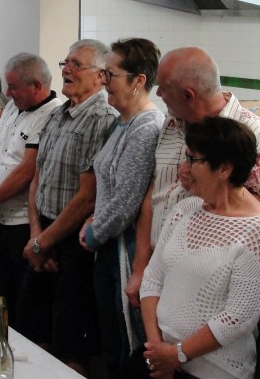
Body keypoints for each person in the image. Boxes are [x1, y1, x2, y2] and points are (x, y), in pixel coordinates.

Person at [127, 47, 260, 310]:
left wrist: (211, 185)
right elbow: (154, 197)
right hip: (160, 271)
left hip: (209, 285)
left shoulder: (255, 133)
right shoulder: (171, 124)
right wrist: (140, 268)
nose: (158, 95)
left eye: (164, 88)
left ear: (188, 95)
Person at [140, 117, 260, 379]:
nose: (184, 168)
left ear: (224, 169)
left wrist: (177, 354)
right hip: (161, 358)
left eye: (193, 160)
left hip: (214, 370)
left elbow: (238, 318)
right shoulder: (185, 209)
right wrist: (157, 351)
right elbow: (152, 279)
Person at [16, 39, 118, 375]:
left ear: (101, 76)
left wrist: (43, 242)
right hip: (44, 234)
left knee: (69, 341)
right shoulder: (58, 113)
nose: (66, 69)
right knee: (32, 330)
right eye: (66, 62)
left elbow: (88, 196)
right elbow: (38, 175)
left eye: (76, 64)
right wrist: (36, 235)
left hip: (75, 242)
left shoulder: (102, 119)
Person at [78, 38, 165, 378]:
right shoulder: (123, 121)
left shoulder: (147, 128)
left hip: (125, 255)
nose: (103, 82)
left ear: (138, 80)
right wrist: (94, 219)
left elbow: (127, 202)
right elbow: (109, 189)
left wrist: (93, 233)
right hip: (108, 248)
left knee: (127, 352)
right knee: (111, 347)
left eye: (110, 75)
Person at [0, 53, 61, 326]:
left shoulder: (51, 113)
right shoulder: (12, 107)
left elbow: (26, 171)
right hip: (1, 221)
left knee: (27, 303)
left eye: (14, 87)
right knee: (4, 295)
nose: (8, 93)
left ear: (37, 86)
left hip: (24, 223)